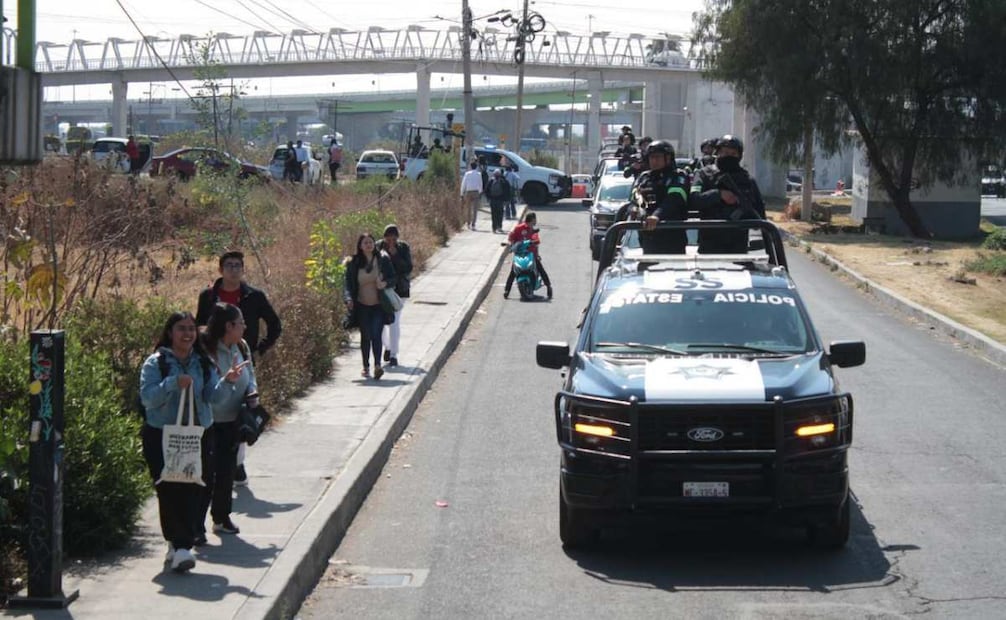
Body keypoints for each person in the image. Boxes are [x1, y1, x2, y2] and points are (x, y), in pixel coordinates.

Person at [139, 311, 240, 573]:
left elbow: (212, 397)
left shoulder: (202, 362)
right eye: (181, 328)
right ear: (170, 332)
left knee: (196, 486)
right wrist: (173, 383)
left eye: (191, 329)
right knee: (168, 487)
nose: (187, 334)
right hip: (162, 434)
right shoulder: (156, 363)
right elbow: (148, 398)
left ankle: (180, 543)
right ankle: (181, 545)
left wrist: (227, 382)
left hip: (198, 434)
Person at [196, 250, 282, 487]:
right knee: (215, 408)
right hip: (214, 359)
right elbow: (199, 325)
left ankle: (237, 463)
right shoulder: (208, 296)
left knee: (241, 411)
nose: (234, 270)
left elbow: (274, 324)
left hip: (242, 358)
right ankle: (215, 459)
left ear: (243, 269)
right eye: (229, 265)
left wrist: (259, 349)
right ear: (220, 269)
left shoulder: (254, 296)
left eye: (238, 266)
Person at [197, 302, 257, 540]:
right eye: (240, 323)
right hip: (209, 422)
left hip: (234, 419)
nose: (244, 326)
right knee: (205, 475)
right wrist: (228, 380)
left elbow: (250, 373)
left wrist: (251, 391)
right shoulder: (206, 350)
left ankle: (221, 518)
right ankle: (196, 527)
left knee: (226, 472)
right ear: (228, 326)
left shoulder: (241, 346)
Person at [690, 134, 766, 254]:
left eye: (733, 154)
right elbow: (694, 200)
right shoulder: (704, 174)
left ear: (739, 156)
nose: (728, 156)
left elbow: (759, 213)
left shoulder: (747, 179)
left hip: (737, 244)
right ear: (717, 153)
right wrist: (718, 194)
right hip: (710, 242)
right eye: (725, 152)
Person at [343, 233, 397, 379]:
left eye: (371, 242)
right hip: (362, 305)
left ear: (374, 244)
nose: (368, 245)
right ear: (360, 246)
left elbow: (393, 278)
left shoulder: (383, 259)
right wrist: (348, 299)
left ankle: (377, 366)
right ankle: (366, 366)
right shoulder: (354, 263)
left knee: (376, 334)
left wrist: (384, 283)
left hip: (379, 305)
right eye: (365, 243)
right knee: (366, 336)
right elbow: (348, 284)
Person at [634, 139, 689, 254]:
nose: (654, 161)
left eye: (658, 157)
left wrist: (656, 216)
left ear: (668, 158)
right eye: (651, 157)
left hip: (672, 237)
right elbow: (635, 199)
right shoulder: (644, 178)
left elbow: (675, 199)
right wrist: (642, 213)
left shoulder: (678, 176)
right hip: (647, 237)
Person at [376, 224, 413, 368]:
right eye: (388, 238)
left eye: (394, 238)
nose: (391, 241)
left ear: (397, 238)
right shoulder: (378, 247)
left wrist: (396, 255)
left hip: (399, 290)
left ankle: (393, 355)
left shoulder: (403, 248)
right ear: (384, 237)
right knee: (379, 322)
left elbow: (408, 268)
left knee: (394, 321)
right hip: (382, 289)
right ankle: (388, 346)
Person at [504, 211, 553, 299]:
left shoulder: (533, 230)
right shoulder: (519, 228)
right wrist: (511, 244)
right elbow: (511, 237)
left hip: (531, 255)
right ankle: (507, 290)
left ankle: (548, 287)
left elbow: (536, 241)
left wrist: (537, 253)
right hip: (519, 254)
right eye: (535, 219)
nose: (535, 221)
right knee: (513, 271)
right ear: (532, 219)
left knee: (540, 269)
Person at [460, 160, 484, 231]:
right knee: (475, 209)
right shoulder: (479, 174)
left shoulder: (467, 174)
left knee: (468, 208)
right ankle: (473, 224)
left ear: (470, 166)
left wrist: (461, 193)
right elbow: (480, 184)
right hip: (476, 192)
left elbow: (463, 183)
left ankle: (468, 223)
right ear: (476, 167)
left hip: (468, 192)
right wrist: (480, 192)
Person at [486, 169, 511, 234]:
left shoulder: (491, 181)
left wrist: (488, 198)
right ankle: (499, 226)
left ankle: (494, 228)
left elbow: (486, 190)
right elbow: (507, 191)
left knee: (494, 214)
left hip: (493, 200)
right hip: (500, 200)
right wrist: (506, 200)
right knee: (500, 214)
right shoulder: (503, 181)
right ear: (500, 175)